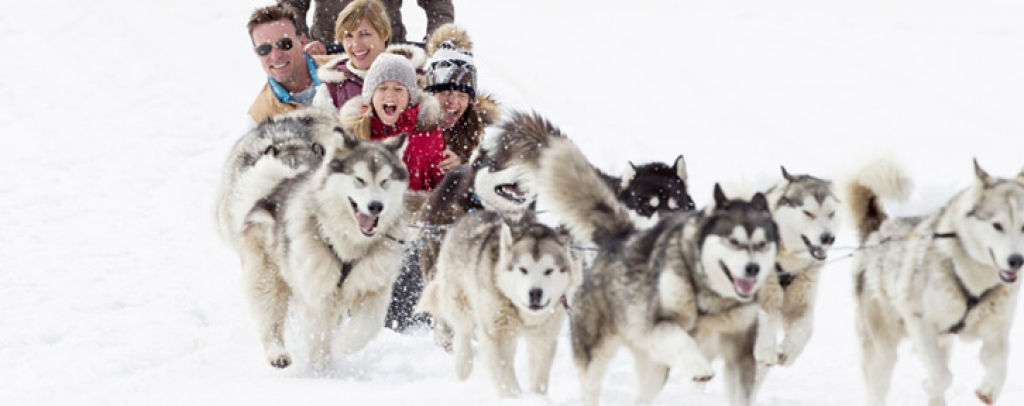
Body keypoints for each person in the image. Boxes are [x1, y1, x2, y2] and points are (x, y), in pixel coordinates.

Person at [338, 53, 446, 191]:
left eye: (398, 89)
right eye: (382, 88)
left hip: (416, 208)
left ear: (409, 98)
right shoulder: (354, 132)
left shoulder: (427, 132)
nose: (390, 94)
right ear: (371, 96)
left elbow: (441, 182)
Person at [310, 0, 428, 112]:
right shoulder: (330, 91)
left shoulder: (415, 80)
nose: (356, 45)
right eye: (348, 36)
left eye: (365, 34)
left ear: (385, 34)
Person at [422, 24, 501, 165]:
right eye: (445, 92)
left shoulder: (476, 128)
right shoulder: (410, 120)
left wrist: (463, 164)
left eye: (462, 96)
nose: (453, 101)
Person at [246, 3, 335, 123]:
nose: (276, 56)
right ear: (256, 52)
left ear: (303, 42)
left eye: (284, 44)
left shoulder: (344, 70)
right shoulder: (260, 118)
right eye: (264, 49)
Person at [280, 0, 454, 53]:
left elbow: (437, 3)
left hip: (388, 51)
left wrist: (437, 35)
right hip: (329, 54)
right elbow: (291, 5)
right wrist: (302, 41)